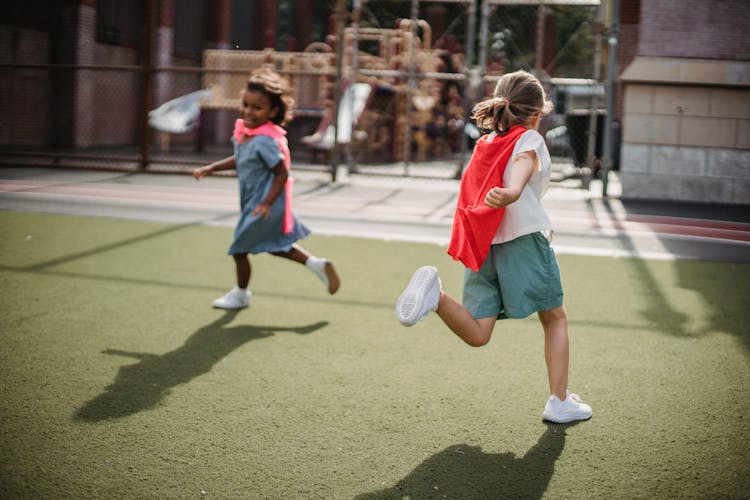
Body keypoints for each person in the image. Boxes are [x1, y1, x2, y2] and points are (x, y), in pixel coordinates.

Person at [395, 70, 591, 424]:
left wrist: (508, 192)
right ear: (537, 113)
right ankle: (559, 401)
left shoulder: (485, 143)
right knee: (554, 317)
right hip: (522, 241)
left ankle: (436, 298)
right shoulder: (529, 138)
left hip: (482, 245)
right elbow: (522, 162)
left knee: (479, 332)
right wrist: (513, 192)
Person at [193, 67, 340, 310]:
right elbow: (239, 159)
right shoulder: (247, 134)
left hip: (265, 204)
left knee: (240, 249)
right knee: (275, 246)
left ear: (272, 112)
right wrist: (210, 168)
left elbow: (282, 173)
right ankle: (316, 264)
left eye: (257, 107)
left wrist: (266, 203)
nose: (249, 111)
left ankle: (241, 294)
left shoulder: (264, 140)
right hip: (257, 203)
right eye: (246, 104)